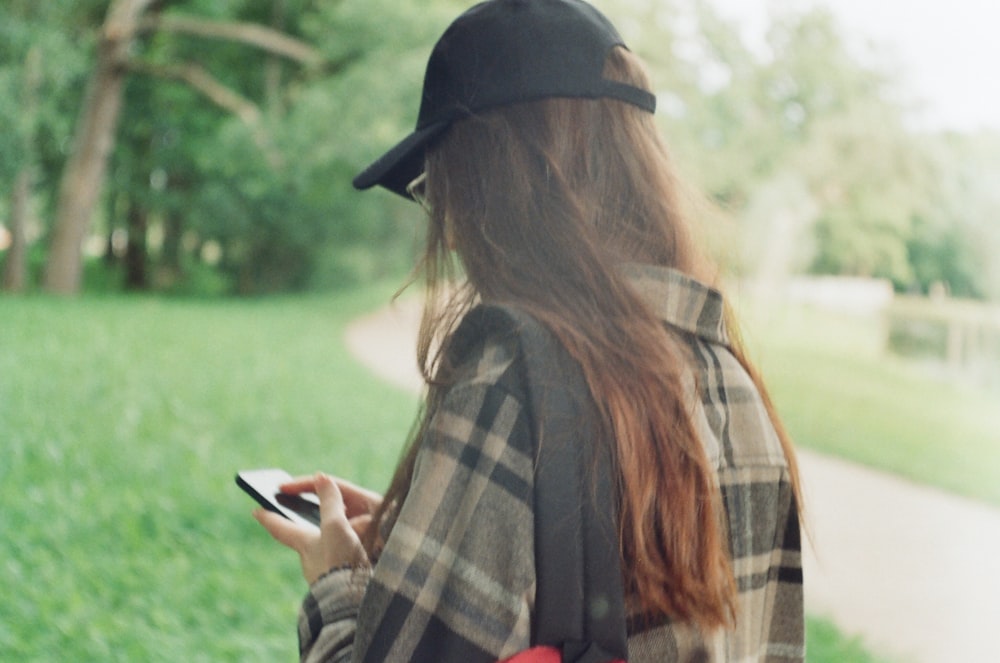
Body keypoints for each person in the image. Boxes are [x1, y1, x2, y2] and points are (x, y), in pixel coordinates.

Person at [253, 0, 805, 661]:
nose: (450, 229)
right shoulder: (732, 379)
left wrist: (338, 580)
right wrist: (422, 535)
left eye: (441, 186)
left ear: (506, 176)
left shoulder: (512, 376)